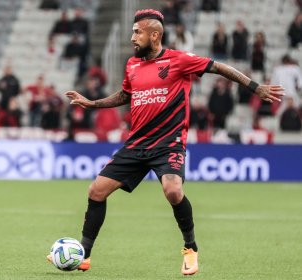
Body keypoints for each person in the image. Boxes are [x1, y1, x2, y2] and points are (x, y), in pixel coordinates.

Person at [48, 9, 284, 276]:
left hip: (168, 143)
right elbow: (125, 95)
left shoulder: (179, 60)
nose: (132, 37)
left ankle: (190, 249)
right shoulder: (132, 65)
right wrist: (93, 104)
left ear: (155, 34)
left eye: (138, 32)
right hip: (137, 143)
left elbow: (219, 67)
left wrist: (255, 87)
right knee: (96, 191)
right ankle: (85, 255)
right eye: (132, 31)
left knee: (172, 191)